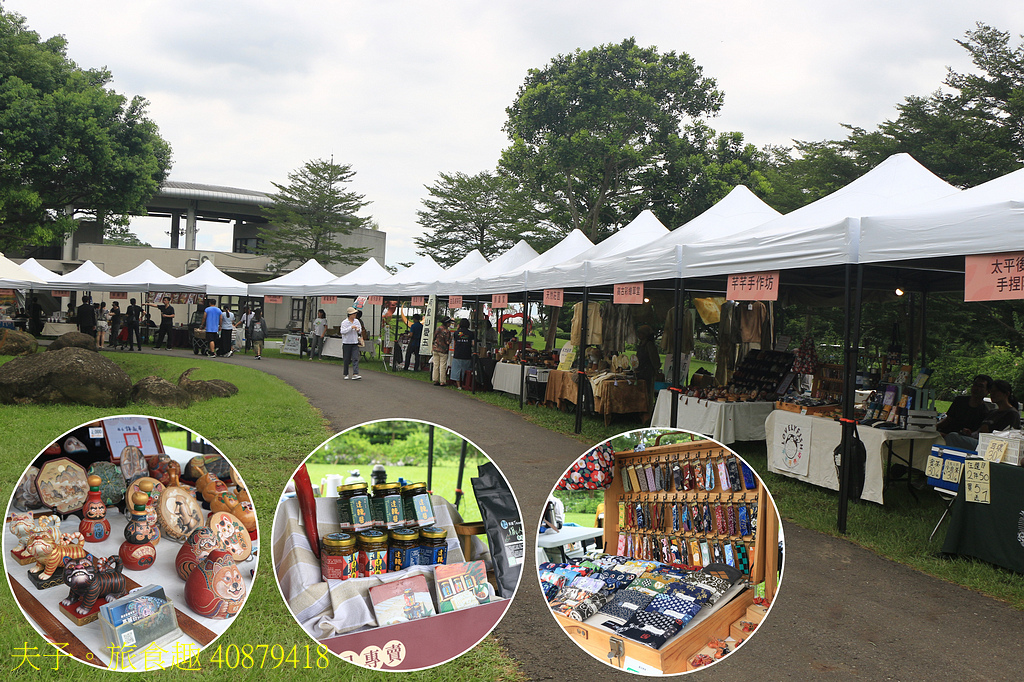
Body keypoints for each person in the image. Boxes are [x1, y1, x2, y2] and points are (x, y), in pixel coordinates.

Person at [945, 379, 1021, 450]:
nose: (992, 394)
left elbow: (1008, 436)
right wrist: (970, 433)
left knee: (952, 437)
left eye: (996, 391)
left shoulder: (1012, 414)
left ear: (1006, 394)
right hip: (977, 440)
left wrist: (988, 433)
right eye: (991, 391)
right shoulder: (992, 412)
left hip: (989, 446)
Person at [634, 325, 663, 409]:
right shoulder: (641, 344)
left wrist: (655, 369)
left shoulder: (649, 345)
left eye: (641, 333)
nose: (639, 335)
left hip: (648, 373)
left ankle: (647, 410)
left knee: (647, 393)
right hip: (640, 372)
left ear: (645, 334)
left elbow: (655, 360)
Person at [450, 318, 476, 388]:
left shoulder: (456, 333)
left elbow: (454, 343)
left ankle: (458, 386)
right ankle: (465, 384)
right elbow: (473, 344)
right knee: (466, 370)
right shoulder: (471, 333)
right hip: (467, 354)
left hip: (457, 353)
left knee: (456, 370)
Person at [339, 306, 363, 379]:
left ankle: (355, 373)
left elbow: (360, 330)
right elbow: (342, 331)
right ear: (350, 315)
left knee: (355, 358)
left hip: (355, 342)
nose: (355, 315)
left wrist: (358, 329)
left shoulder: (357, 321)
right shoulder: (344, 322)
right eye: (353, 314)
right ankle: (346, 374)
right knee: (346, 359)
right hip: (347, 342)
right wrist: (350, 328)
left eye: (355, 314)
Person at [431, 317, 452, 386]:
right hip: (443, 350)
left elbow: (434, 338)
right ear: (447, 323)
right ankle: (442, 381)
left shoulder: (438, 328)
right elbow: (447, 342)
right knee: (442, 366)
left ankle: (435, 379)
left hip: (435, 348)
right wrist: (451, 339)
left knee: (436, 365)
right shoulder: (447, 331)